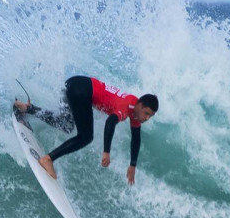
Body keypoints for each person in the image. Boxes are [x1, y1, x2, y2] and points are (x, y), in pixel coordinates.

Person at [15, 75, 158, 185]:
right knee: (86, 137)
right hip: (82, 91)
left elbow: (136, 137)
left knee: (65, 125)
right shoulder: (127, 106)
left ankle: (28, 108)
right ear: (140, 105)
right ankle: (48, 159)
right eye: (146, 113)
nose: (146, 118)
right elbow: (110, 122)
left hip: (73, 84)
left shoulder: (135, 112)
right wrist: (106, 151)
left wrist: (133, 165)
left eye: (150, 116)